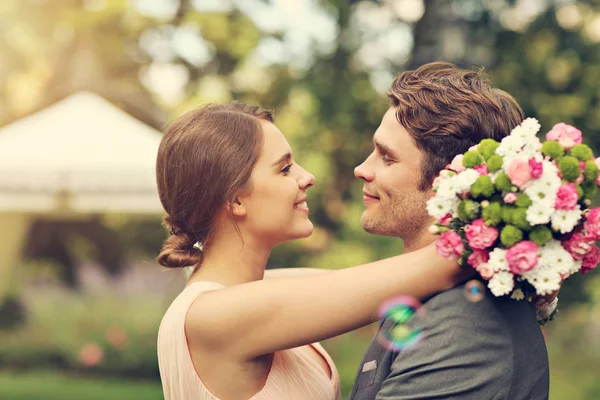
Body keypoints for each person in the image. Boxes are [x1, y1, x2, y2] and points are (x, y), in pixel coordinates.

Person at [155, 102, 469, 400]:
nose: (307, 177)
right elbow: (447, 261)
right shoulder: (213, 316)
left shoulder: (244, 292)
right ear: (236, 199)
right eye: (285, 169)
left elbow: (377, 281)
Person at [347, 62, 551, 400]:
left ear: (448, 182)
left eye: (386, 157)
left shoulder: (467, 329)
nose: (360, 169)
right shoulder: (430, 294)